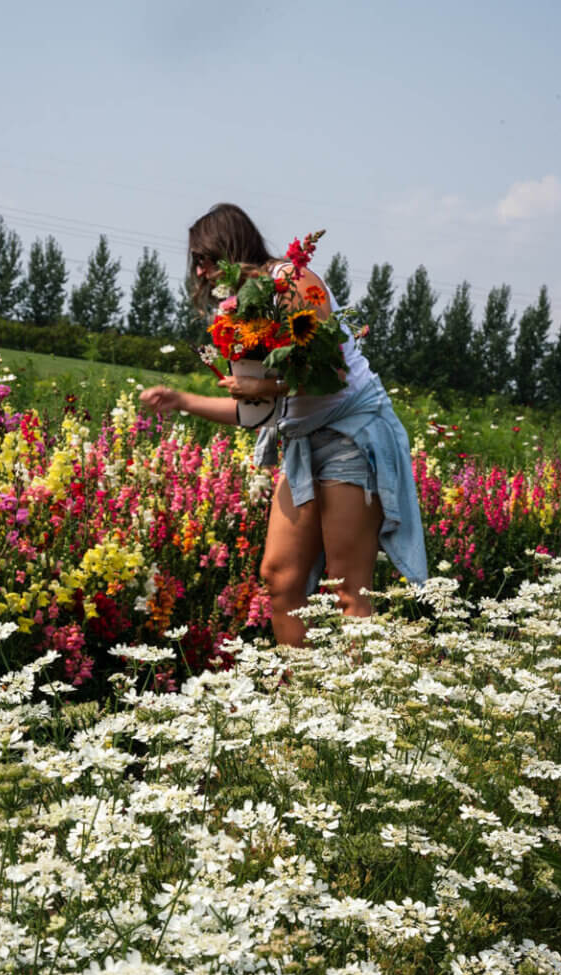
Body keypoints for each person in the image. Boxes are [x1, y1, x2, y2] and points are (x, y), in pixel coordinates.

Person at [140, 203, 427, 647]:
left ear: (230, 248)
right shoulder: (240, 313)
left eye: (204, 258)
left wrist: (269, 388)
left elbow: (328, 373)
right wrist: (180, 401)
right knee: (279, 578)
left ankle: (365, 705)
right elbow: (255, 412)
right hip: (303, 441)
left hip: (351, 434)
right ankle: (296, 695)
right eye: (195, 262)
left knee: (347, 589)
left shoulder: (292, 281)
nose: (199, 272)